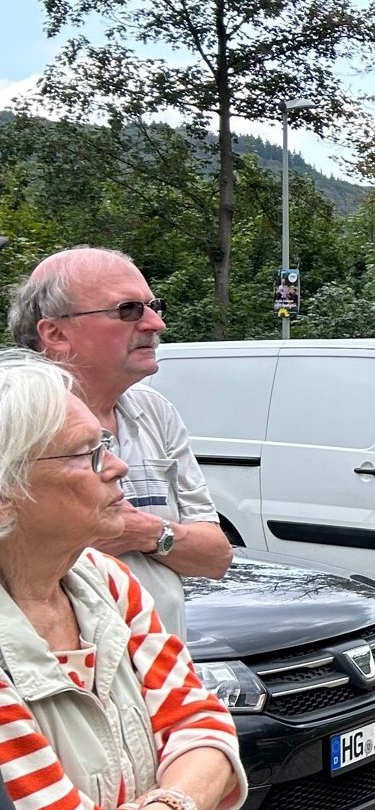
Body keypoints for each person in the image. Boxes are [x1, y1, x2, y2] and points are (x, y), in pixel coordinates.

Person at [0, 351, 245, 810]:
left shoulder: (104, 577)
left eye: (104, 445)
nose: (118, 466)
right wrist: (185, 807)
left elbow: (205, 726)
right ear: (5, 495)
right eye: (86, 455)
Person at [7, 247, 231, 638]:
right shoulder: (14, 423)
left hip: (160, 679)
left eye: (152, 305)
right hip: (55, 682)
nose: (155, 323)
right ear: (55, 333)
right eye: (128, 310)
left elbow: (215, 556)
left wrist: (143, 532)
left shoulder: (154, 412)